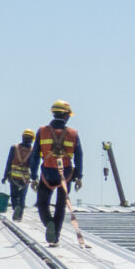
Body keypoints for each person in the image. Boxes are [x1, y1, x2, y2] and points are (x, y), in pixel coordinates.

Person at [33, 100, 83, 245]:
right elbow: (79, 156)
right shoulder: (73, 134)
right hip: (66, 176)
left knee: (42, 204)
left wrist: (33, 176)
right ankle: (55, 238)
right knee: (60, 207)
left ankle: (49, 223)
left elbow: (35, 156)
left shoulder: (42, 131)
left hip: (47, 174)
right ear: (66, 115)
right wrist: (79, 176)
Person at [1, 128, 35, 220]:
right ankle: (19, 216)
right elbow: (33, 166)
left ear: (22, 137)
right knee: (22, 197)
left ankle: (16, 208)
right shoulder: (33, 151)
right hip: (25, 178)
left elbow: (8, 163)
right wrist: (35, 178)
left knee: (14, 196)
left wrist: (5, 176)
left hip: (14, 177)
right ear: (32, 139)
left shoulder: (14, 148)